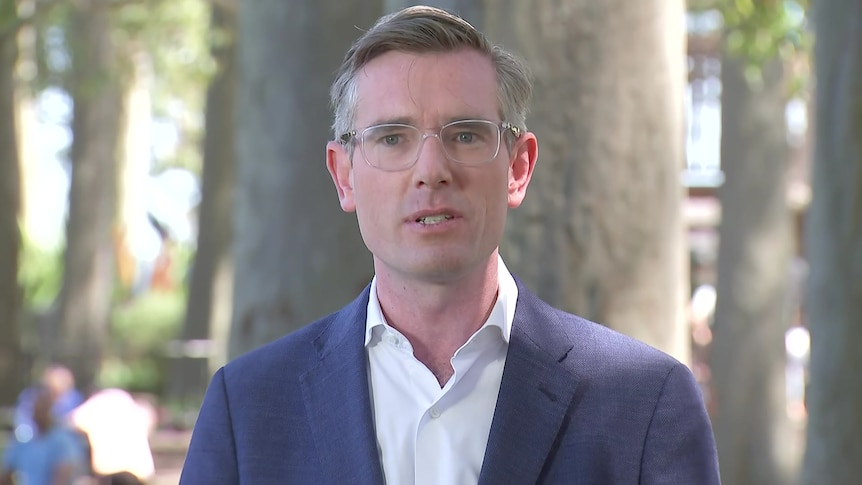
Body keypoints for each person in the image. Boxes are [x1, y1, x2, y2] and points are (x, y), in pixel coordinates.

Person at [180, 5, 720, 483]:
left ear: (518, 167)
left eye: (464, 134)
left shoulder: (646, 404)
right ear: (343, 175)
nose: (432, 170)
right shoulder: (247, 408)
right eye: (392, 137)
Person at [1, 386, 86, 485]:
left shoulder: (62, 440)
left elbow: (64, 473)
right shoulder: (23, 440)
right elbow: (7, 472)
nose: (39, 412)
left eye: (43, 408)